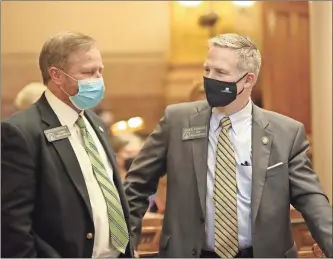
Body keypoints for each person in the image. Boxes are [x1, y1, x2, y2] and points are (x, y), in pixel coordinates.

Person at [124, 33, 333, 258]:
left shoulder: (286, 133)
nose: (210, 79)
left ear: (248, 80)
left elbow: (311, 199)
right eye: (207, 70)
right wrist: (126, 246)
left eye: (220, 72)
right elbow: (137, 185)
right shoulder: (176, 121)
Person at [1, 31, 134, 258]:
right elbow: (13, 224)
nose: (98, 79)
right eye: (88, 72)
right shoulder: (21, 132)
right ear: (56, 75)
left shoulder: (95, 122)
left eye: (100, 71)